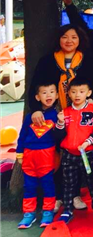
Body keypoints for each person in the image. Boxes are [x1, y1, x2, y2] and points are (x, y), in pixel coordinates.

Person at [54, 76, 93, 223]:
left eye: (81, 91)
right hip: (69, 154)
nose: (77, 95)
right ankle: (68, 210)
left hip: (88, 153)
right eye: (74, 92)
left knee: (92, 181)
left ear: (88, 93)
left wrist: (88, 142)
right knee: (68, 183)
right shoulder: (65, 112)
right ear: (68, 93)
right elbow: (58, 136)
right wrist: (60, 123)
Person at [16, 83, 60, 229]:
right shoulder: (30, 117)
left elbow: (60, 136)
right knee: (29, 185)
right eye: (44, 92)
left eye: (52, 92)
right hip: (29, 155)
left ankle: (48, 211)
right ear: (37, 97)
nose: (48, 95)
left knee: (48, 184)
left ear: (57, 95)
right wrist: (20, 153)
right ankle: (29, 213)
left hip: (47, 155)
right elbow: (22, 135)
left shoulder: (58, 115)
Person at [30, 24, 93, 113]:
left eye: (74, 37)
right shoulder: (47, 60)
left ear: (80, 39)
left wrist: (91, 100)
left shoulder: (87, 60)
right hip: (52, 111)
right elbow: (35, 86)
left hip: (81, 110)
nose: (69, 41)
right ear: (58, 39)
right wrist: (36, 110)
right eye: (64, 37)